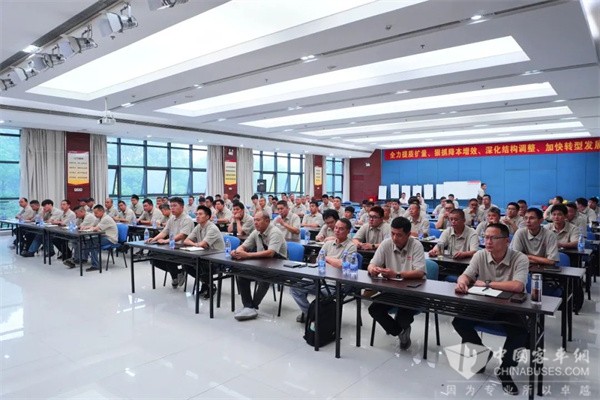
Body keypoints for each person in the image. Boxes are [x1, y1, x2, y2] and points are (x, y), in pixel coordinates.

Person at [452, 223, 528, 395]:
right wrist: (462, 282)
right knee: (459, 322)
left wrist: (487, 284)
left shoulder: (520, 258)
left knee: (521, 333)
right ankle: (483, 353)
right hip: (484, 304)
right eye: (485, 237)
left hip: (509, 307)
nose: (488, 241)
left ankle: (505, 370)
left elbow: (518, 286)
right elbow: (466, 275)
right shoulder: (480, 255)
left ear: (506, 241)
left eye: (493, 238)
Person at [368, 217, 426, 350]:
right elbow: (372, 264)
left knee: (402, 318)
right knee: (374, 309)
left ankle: (401, 328)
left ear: (408, 234)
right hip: (392, 290)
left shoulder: (416, 245)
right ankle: (401, 332)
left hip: (413, 292)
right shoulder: (386, 244)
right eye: (392, 234)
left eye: (399, 235)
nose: (394, 238)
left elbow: (420, 272)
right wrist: (373, 269)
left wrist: (397, 274)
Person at [291, 218, 356, 322]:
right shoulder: (328, 243)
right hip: (319, 278)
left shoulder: (351, 246)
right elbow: (318, 260)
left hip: (334, 283)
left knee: (322, 295)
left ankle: (314, 316)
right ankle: (312, 315)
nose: (337, 231)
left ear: (348, 231)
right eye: (336, 228)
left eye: (341, 229)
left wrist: (327, 258)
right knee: (295, 288)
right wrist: (331, 261)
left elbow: (342, 265)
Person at [230, 211, 287, 321]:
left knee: (265, 276)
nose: (255, 222)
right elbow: (244, 246)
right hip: (263, 263)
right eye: (254, 220)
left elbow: (270, 253)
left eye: (258, 220)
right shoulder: (256, 232)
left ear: (267, 221)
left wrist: (247, 255)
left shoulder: (275, 232)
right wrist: (237, 251)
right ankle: (248, 306)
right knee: (241, 273)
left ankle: (252, 306)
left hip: (279, 266)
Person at [146, 197, 195, 287]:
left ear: (182, 207)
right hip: (173, 247)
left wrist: (165, 241)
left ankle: (175, 276)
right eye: (171, 206)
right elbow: (164, 231)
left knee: (168, 258)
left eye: (174, 206)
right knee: (153, 258)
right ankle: (178, 273)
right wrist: (154, 239)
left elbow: (182, 235)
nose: (172, 208)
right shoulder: (172, 218)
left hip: (184, 249)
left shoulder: (187, 219)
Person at [182, 205, 225, 298]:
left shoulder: (212, 228)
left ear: (207, 217)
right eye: (197, 214)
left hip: (217, 259)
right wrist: (197, 244)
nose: (197, 216)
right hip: (204, 256)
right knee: (186, 264)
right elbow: (186, 240)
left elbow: (203, 244)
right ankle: (206, 283)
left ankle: (209, 285)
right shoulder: (198, 226)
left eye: (200, 214)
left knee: (202, 265)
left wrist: (197, 244)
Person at [82, 205, 119, 272]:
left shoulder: (106, 218)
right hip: (104, 236)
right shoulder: (99, 218)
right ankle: (84, 259)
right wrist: (85, 227)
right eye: (94, 213)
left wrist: (89, 228)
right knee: (88, 241)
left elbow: (96, 228)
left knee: (93, 244)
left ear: (101, 211)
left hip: (110, 239)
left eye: (96, 213)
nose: (95, 215)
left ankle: (95, 265)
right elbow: (93, 226)